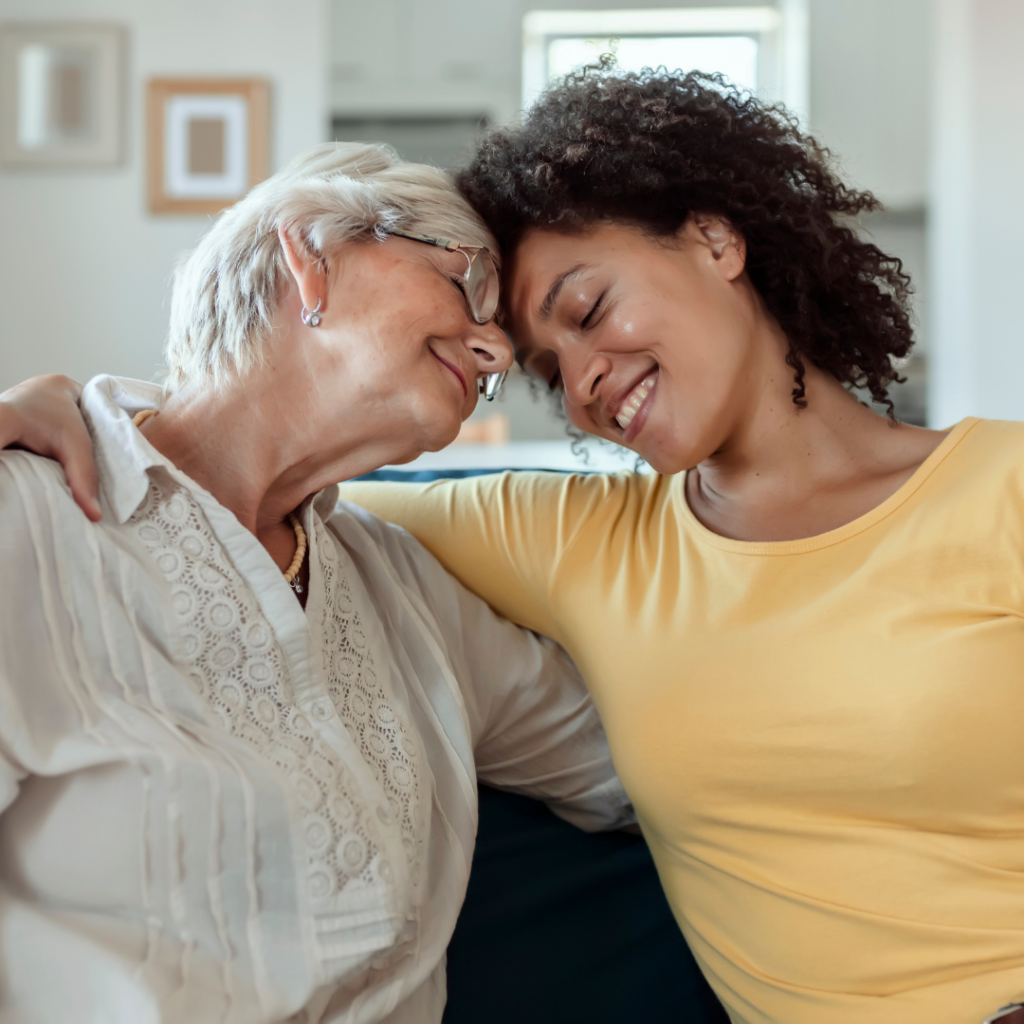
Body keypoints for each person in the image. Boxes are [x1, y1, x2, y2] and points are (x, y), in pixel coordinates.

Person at [7, 68, 1024, 1024]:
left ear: (716, 240)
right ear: (305, 261)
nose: (565, 378)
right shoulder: (557, 540)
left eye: (583, 310)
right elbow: (221, 477)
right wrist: (65, 417)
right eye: (538, 360)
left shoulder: (1002, 486)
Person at [0, 141, 637, 1024]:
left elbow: (637, 765)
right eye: (468, 290)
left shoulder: (408, 589)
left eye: (504, 351)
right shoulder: (26, 520)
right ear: (310, 258)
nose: (494, 351)